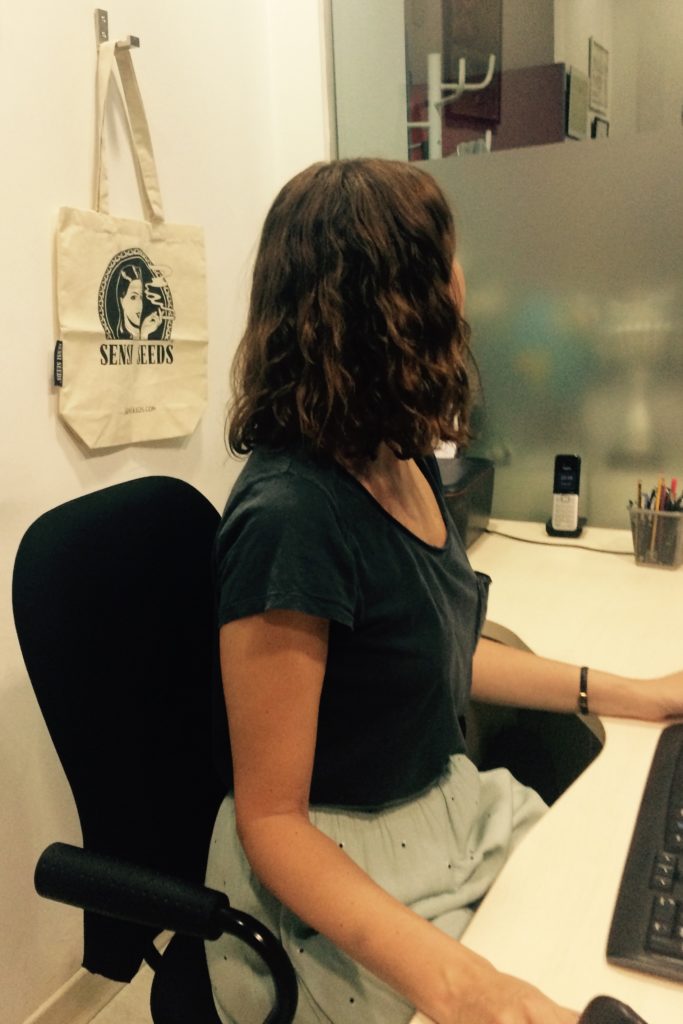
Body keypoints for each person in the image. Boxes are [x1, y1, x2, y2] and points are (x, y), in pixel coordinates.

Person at [205, 158, 683, 1024]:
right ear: (392, 296)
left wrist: (633, 695)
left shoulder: (398, 451)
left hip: (443, 810)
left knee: (605, 912)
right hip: (340, 864)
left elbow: (438, 654)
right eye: (447, 256)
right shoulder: (291, 519)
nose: (466, 283)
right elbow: (271, 822)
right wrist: (466, 988)